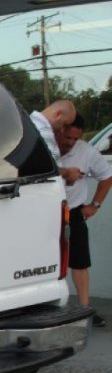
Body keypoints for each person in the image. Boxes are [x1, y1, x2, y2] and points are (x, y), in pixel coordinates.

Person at [56, 113, 112, 327]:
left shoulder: (86, 151)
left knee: (79, 262)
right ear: (59, 131)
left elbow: (107, 176)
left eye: (75, 139)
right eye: (67, 137)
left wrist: (94, 205)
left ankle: (85, 309)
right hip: (45, 213)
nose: (71, 143)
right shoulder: (46, 147)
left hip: (73, 212)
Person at [30, 99, 76, 171]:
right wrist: (68, 173)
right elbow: (48, 170)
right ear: (58, 114)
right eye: (64, 124)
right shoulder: (43, 132)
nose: (62, 130)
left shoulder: (30, 122)